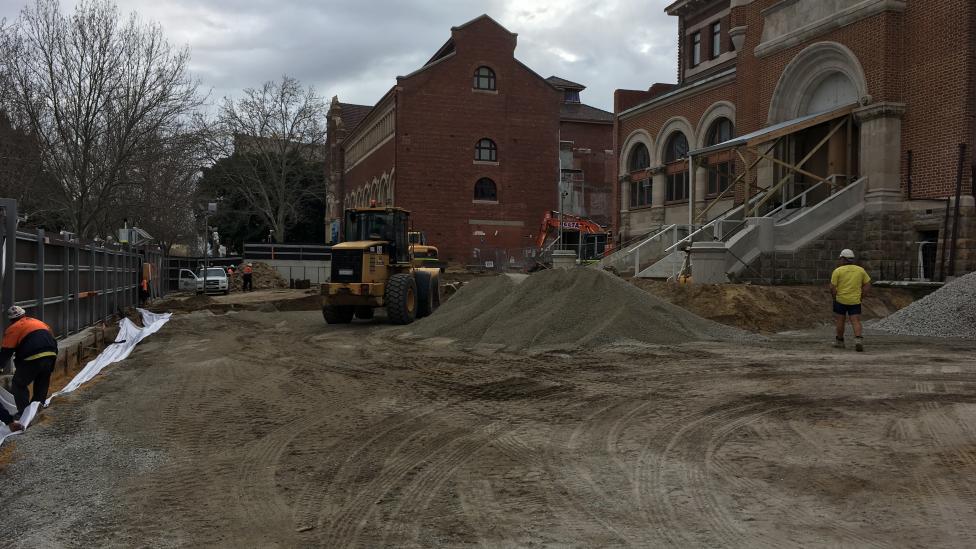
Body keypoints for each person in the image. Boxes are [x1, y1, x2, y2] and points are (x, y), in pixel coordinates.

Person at [0, 306, 58, 432]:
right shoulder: (39, 323)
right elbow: (53, 339)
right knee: (41, 383)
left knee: (18, 383)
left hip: (33, 357)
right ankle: (37, 409)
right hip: (50, 355)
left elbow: (6, 352)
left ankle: (24, 413)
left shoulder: (13, 328)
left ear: (11, 320)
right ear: (24, 315)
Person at [830, 248, 872, 352]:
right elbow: (867, 284)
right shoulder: (860, 270)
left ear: (843, 259)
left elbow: (832, 287)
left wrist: (834, 297)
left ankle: (840, 341)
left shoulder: (837, 271)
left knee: (840, 320)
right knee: (856, 320)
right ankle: (858, 340)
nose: (840, 261)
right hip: (855, 300)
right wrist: (862, 296)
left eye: (841, 259)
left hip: (841, 300)